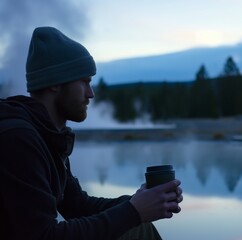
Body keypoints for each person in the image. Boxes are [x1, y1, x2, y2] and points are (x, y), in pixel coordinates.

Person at [0, 26, 183, 240]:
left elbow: (77, 205)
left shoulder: (47, 135)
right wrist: (134, 211)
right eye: (84, 82)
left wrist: (140, 200)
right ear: (54, 83)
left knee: (137, 227)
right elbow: (44, 236)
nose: (91, 93)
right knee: (135, 225)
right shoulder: (18, 139)